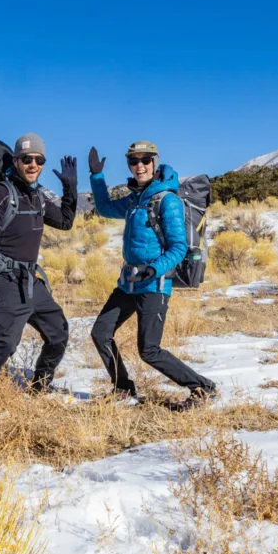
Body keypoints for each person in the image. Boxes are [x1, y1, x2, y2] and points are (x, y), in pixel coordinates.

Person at [88, 140, 217, 410]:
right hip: (128, 283)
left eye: (145, 160)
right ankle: (123, 389)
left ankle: (203, 387)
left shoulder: (167, 201)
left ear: (155, 163)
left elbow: (178, 247)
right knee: (101, 333)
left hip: (154, 285)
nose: (139, 166)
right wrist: (97, 177)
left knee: (149, 350)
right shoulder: (135, 200)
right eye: (133, 161)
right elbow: (103, 208)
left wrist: (154, 268)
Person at [0, 133, 78, 414]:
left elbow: (66, 222)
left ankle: (39, 388)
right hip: (3, 280)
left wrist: (71, 189)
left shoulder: (37, 195)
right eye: (27, 159)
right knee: (7, 343)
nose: (33, 164)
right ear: (16, 160)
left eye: (39, 160)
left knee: (58, 332)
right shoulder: (2, 194)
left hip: (29, 280)